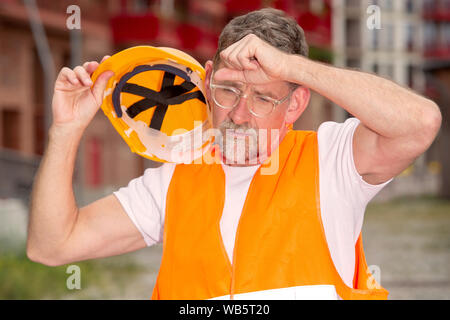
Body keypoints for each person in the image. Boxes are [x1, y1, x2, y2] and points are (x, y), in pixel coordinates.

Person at [27, 8, 442, 300]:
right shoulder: (176, 175)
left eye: (264, 97)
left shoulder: (332, 162)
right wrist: (65, 129)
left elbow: (419, 123)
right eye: (227, 90)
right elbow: (51, 246)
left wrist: (293, 67)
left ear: (295, 104)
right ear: (206, 82)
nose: (239, 114)